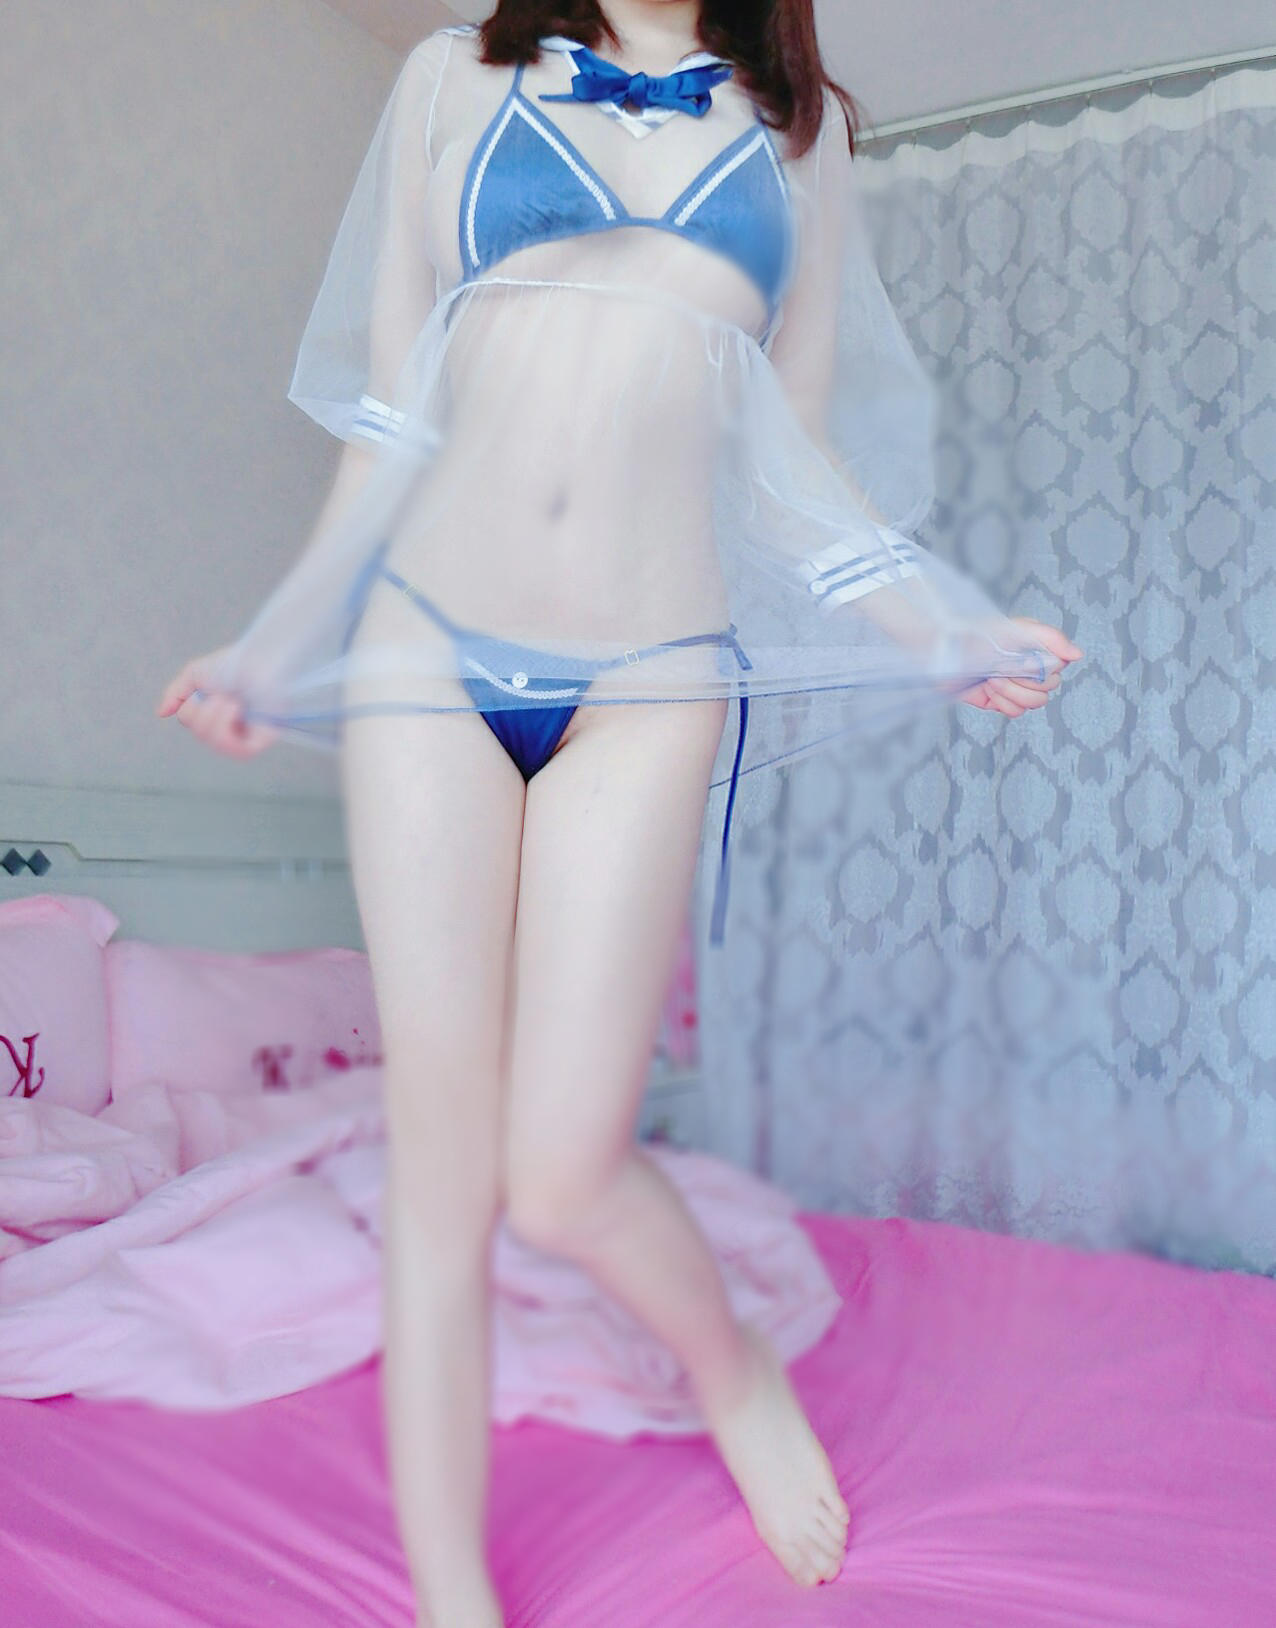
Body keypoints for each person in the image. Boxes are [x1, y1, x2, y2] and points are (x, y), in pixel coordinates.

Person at [157, 2, 1083, 1622]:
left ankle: (734, 1371)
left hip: (652, 676)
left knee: (566, 1171)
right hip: (427, 650)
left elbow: (794, 455)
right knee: (445, 1171)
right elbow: (390, 419)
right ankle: (453, 1592)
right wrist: (278, 643)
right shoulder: (453, 75)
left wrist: (942, 626)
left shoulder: (799, 134)